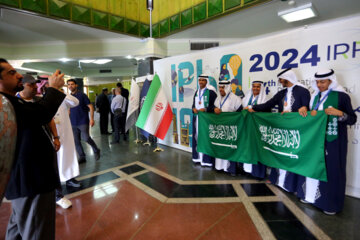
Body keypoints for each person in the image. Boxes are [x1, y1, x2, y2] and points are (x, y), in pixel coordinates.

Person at [0, 58, 65, 240]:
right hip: (31, 181)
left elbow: (37, 111)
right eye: (11, 73)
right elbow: (41, 114)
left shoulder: (12, 102)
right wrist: (53, 89)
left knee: (18, 227)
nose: (19, 75)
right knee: (36, 231)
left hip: (26, 181)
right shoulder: (5, 105)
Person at [297, 69, 357, 215]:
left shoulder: (342, 96)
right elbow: (311, 115)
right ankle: (309, 196)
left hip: (334, 141)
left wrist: (340, 113)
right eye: (317, 82)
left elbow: (353, 118)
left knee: (332, 170)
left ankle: (329, 204)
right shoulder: (314, 96)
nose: (319, 85)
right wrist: (304, 109)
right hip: (315, 140)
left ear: (331, 81)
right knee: (311, 166)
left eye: (322, 82)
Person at [16, 75, 75, 209]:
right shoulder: (14, 102)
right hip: (26, 147)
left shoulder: (39, 100)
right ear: (22, 85)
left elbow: (49, 119)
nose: (35, 87)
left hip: (45, 142)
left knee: (53, 169)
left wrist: (56, 137)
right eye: (31, 85)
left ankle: (58, 195)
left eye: (35, 84)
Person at [247, 68, 310, 193]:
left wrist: (305, 107)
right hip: (282, 130)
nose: (280, 82)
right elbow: (269, 104)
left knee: (292, 155)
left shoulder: (302, 91)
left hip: (296, 131)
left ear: (287, 78)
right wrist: (253, 107)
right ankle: (277, 180)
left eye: (281, 79)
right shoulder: (282, 93)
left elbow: (308, 108)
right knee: (280, 154)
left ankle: (291, 185)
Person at [53, 89, 82, 209]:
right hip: (53, 135)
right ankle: (56, 189)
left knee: (68, 156)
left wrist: (63, 93)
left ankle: (70, 178)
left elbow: (75, 102)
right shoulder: (43, 100)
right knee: (55, 161)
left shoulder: (63, 99)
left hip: (66, 134)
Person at [67, 79, 100, 163]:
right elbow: (69, 109)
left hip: (83, 121)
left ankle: (96, 150)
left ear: (76, 85)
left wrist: (92, 119)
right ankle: (82, 157)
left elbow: (91, 107)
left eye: (72, 84)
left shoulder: (82, 95)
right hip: (73, 122)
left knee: (86, 138)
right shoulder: (69, 97)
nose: (70, 86)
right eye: (69, 84)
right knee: (76, 140)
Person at [214, 80, 242, 175]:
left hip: (231, 128)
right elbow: (212, 108)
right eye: (220, 87)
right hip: (220, 128)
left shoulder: (236, 99)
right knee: (220, 147)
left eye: (223, 87)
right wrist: (214, 109)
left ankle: (230, 169)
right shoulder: (218, 99)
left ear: (228, 87)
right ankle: (219, 166)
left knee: (230, 148)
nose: (221, 89)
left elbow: (240, 114)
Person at [242, 81, 268, 179]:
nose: (256, 88)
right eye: (254, 87)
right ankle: (247, 170)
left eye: (258, 87)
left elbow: (265, 111)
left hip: (258, 129)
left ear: (261, 88)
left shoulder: (265, 99)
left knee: (257, 149)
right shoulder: (247, 98)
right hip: (248, 127)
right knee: (247, 147)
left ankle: (258, 173)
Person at [192, 74, 217, 167]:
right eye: (200, 80)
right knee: (197, 137)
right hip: (197, 118)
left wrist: (205, 109)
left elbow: (214, 106)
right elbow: (193, 105)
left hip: (206, 120)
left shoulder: (211, 92)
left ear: (206, 81)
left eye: (203, 80)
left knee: (206, 139)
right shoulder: (196, 92)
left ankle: (206, 161)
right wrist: (193, 108)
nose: (201, 82)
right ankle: (197, 158)